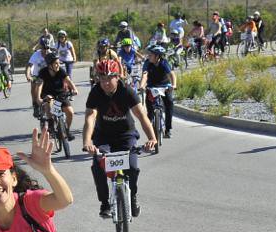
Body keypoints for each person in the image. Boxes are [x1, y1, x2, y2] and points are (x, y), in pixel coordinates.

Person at [81, 59, 157, 219]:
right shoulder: (95, 92)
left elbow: (142, 116)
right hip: (103, 137)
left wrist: (152, 138)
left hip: (126, 135)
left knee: (133, 167)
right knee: (98, 166)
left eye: (109, 78)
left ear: (117, 77)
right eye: (102, 78)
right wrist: (87, 142)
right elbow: (90, 117)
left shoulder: (127, 91)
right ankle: (105, 204)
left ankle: (132, 197)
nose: (106, 82)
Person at [37, 51, 79, 137]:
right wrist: (38, 98)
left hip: (60, 94)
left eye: (59, 63)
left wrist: (74, 89)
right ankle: (51, 124)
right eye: (56, 63)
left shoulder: (61, 71)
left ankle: (66, 130)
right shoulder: (43, 72)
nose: (58, 65)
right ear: (49, 65)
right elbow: (40, 85)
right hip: (48, 94)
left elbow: (68, 81)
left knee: (70, 112)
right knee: (49, 103)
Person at [140, 45, 176, 138]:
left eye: (150, 55)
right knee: (150, 110)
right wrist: (142, 86)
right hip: (152, 87)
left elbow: (171, 74)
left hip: (164, 87)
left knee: (169, 104)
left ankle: (167, 130)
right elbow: (145, 75)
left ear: (157, 56)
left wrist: (173, 85)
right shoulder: (147, 63)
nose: (148, 56)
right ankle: (151, 129)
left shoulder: (164, 63)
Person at [26, 39, 52, 117]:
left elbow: (56, 66)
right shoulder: (36, 54)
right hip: (37, 75)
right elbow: (29, 66)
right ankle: (35, 105)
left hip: (48, 75)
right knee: (33, 88)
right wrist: (28, 75)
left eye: (48, 48)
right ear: (41, 47)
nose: (46, 50)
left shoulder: (51, 54)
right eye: (44, 48)